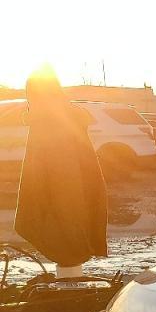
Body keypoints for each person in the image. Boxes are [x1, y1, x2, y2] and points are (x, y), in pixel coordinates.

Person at [13, 68, 108, 277]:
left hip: (64, 197)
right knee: (66, 235)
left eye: (30, 93)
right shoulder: (59, 116)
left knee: (66, 237)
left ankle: (70, 287)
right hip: (68, 196)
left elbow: (64, 176)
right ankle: (70, 271)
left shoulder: (50, 122)